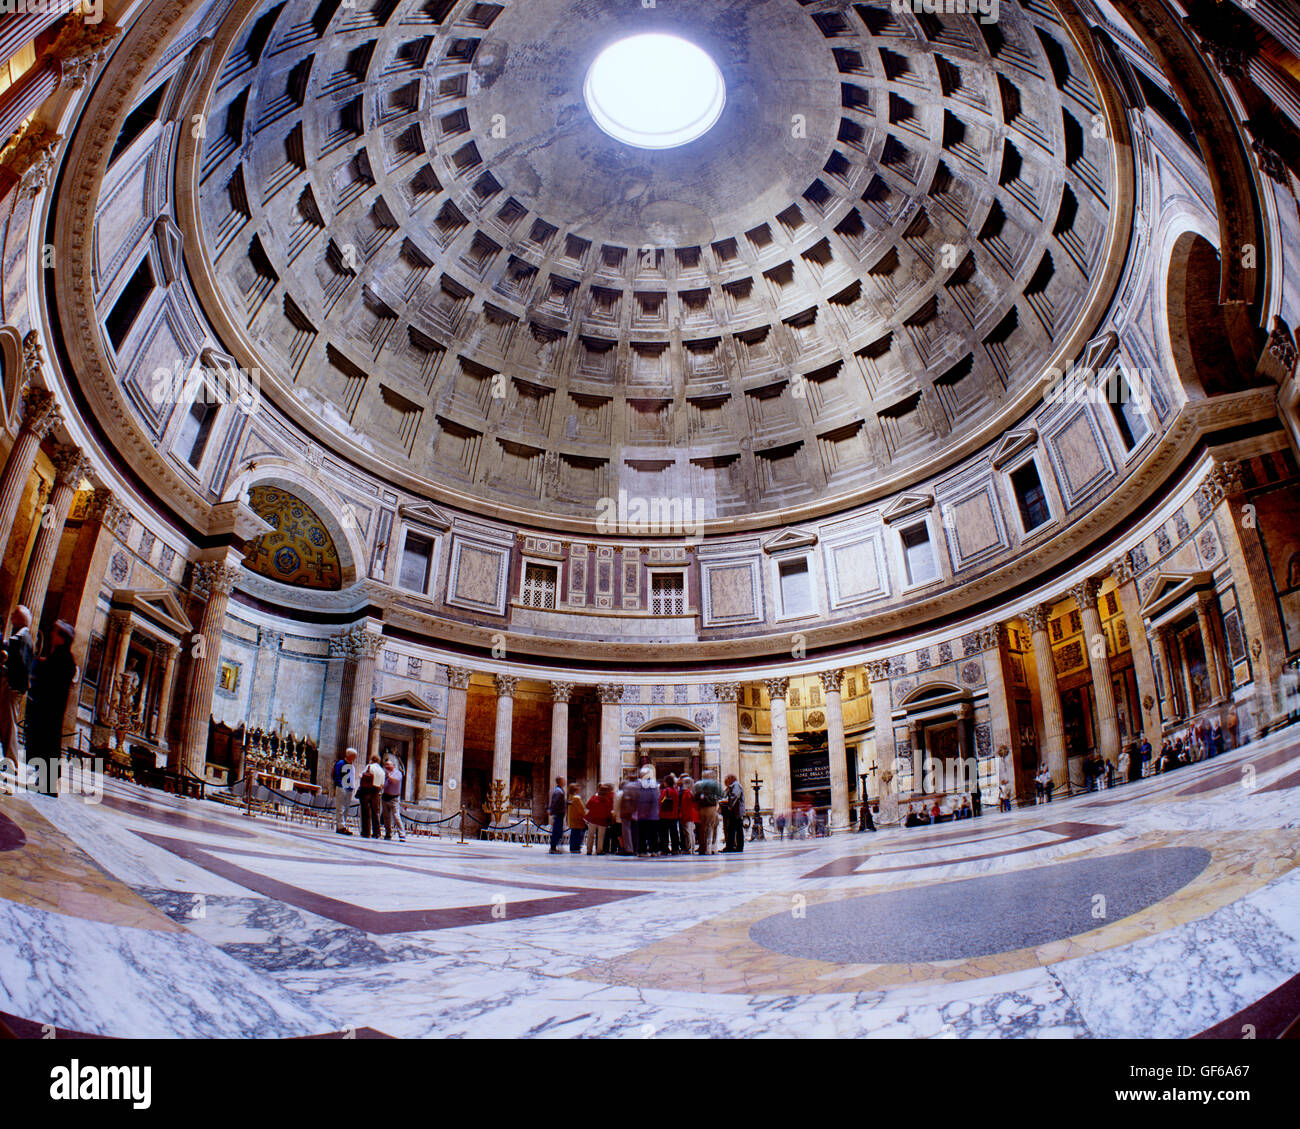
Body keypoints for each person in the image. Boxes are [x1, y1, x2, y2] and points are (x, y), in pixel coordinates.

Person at [25, 620, 78, 797]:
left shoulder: (64, 658)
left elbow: (52, 679)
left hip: (50, 708)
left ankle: (47, 784)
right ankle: (44, 781)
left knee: (46, 744)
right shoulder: (61, 656)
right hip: (48, 707)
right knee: (44, 743)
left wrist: (42, 666)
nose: (51, 635)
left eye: (55, 632)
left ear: (62, 637)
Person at [0, 605, 35, 766]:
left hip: (12, 687)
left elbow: (20, 664)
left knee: (9, 724)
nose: (11, 616)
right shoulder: (24, 637)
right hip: (15, 686)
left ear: (20, 618)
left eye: (14, 614)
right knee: (6, 722)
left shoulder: (21, 638)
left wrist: (7, 672)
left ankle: (12, 762)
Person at [693, 770, 722, 855]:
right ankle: (711, 848)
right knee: (712, 827)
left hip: (701, 809)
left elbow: (694, 797)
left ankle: (702, 848)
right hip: (712, 808)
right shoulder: (715, 784)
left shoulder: (698, 784)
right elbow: (722, 795)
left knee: (702, 829)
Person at [356, 752, 384, 838]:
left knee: (366, 812)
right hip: (376, 792)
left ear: (372, 760)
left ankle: (366, 832)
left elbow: (361, 776)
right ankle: (377, 833)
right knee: (375, 813)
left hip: (367, 790)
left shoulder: (369, 767)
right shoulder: (382, 771)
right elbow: (382, 784)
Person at [634, 765, 660, 856]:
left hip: (642, 814)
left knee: (642, 834)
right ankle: (654, 850)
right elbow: (657, 797)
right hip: (653, 814)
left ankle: (642, 851)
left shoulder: (638, 785)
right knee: (653, 834)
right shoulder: (655, 785)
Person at [333, 747, 358, 834]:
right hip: (341, 787)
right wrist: (341, 784)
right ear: (349, 756)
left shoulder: (352, 765)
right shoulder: (340, 763)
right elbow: (336, 775)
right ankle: (340, 827)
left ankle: (343, 825)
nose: (355, 758)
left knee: (346, 808)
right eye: (354, 756)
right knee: (340, 807)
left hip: (349, 788)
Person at [381, 755, 405, 841]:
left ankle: (402, 834)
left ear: (393, 766)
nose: (386, 766)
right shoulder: (385, 773)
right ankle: (388, 833)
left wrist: (388, 775)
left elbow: (394, 781)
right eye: (385, 765)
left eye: (388, 765)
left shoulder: (398, 773)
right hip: (385, 796)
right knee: (386, 817)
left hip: (394, 798)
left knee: (396, 816)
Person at [584, 782, 613, 855]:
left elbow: (587, 806)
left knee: (590, 835)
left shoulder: (594, 798)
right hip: (602, 821)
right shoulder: (607, 801)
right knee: (600, 837)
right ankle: (599, 850)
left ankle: (589, 850)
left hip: (592, 819)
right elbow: (609, 811)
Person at [721, 773, 745, 853]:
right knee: (733, 829)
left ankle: (735, 847)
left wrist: (729, 806)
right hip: (735, 811)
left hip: (736, 811)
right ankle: (732, 846)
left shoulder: (736, 785)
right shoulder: (734, 785)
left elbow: (734, 796)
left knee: (735, 829)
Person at [659, 773, 680, 854]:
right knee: (674, 833)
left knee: (664, 833)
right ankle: (675, 849)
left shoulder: (666, 791)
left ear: (666, 782)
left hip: (665, 814)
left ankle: (665, 849)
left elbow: (661, 801)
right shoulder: (675, 791)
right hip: (674, 814)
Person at [677, 773, 697, 855]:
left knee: (688, 832)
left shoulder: (687, 793)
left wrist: (682, 814)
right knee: (689, 832)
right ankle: (691, 848)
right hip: (688, 814)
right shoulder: (690, 792)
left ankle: (689, 849)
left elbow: (685, 805)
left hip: (687, 815)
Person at [618, 777, 638, 855]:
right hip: (636, 814)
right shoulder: (638, 790)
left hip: (626, 813)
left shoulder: (625, 790)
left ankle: (629, 849)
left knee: (627, 832)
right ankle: (635, 848)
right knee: (635, 831)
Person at [547, 776, 566, 854]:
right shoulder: (558, 791)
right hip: (558, 813)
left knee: (558, 831)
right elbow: (555, 802)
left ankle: (555, 847)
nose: (565, 781)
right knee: (556, 831)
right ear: (560, 781)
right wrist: (551, 811)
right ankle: (553, 848)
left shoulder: (559, 790)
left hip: (559, 813)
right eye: (563, 780)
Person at [566, 783, 586, 853]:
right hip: (578, 819)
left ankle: (573, 848)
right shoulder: (577, 798)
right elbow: (581, 809)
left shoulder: (570, 797)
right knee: (578, 835)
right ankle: (576, 848)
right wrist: (585, 816)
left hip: (572, 819)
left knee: (573, 834)